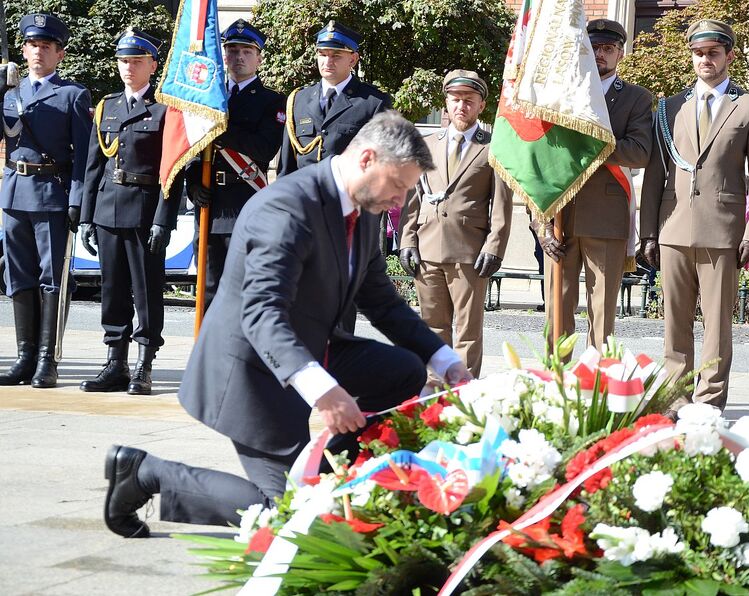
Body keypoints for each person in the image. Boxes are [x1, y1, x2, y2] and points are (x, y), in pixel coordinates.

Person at [102, 112, 472, 537]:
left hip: (310, 345)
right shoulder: (288, 207)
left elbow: (382, 300)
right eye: (399, 185)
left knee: (405, 371)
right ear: (367, 159)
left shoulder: (364, 209)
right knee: (286, 514)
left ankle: (335, 474)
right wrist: (324, 391)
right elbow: (261, 314)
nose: (400, 201)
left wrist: (443, 360)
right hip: (251, 367)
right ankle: (144, 473)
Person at [640, 19, 749, 413]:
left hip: (723, 232)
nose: (705, 60)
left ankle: (710, 403)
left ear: (729, 55)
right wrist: (648, 231)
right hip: (673, 227)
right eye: (699, 53)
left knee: (716, 327)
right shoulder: (669, 107)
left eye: (713, 53)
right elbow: (655, 175)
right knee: (674, 325)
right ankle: (676, 402)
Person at [532, 19, 653, 349]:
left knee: (602, 314)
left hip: (606, 217)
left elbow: (640, 152)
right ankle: (555, 385)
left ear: (620, 54)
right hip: (559, 215)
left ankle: (596, 385)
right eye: (593, 48)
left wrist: (592, 142)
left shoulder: (636, 98)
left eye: (607, 49)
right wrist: (541, 223)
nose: (600, 54)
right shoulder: (559, 96)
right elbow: (538, 161)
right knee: (557, 311)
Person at [78, 30, 182, 395]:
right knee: (113, 290)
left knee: (147, 291)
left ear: (152, 65)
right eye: (123, 60)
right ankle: (115, 362)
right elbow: (93, 167)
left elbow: (173, 169)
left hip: (144, 208)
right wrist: (87, 216)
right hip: (108, 208)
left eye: (137, 61)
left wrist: (162, 219)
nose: (128, 67)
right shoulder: (108, 105)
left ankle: (144, 365)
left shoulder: (167, 107)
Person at [399, 70, 513, 379]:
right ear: (446, 103)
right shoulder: (426, 144)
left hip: (469, 250)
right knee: (432, 326)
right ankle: (435, 392)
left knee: (467, 329)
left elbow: (501, 204)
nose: (460, 106)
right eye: (455, 99)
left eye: (468, 100)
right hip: (427, 246)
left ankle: (464, 393)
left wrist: (495, 246)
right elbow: (413, 197)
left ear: (480, 105)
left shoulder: (493, 146)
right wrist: (407, 241)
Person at [0, 13, 92, 388]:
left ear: (60, 54)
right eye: (33, 45)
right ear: (23, 50)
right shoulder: (10, 94)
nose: (38, 53)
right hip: (14, 192)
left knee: (52, 278)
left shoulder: (73, 94)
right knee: (17, 275)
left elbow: (85, 155)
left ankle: (46, 359)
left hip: (52, 193)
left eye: (46, 47)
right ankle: (24, 356)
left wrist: (78, 200)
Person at [187, 19, 286, 309]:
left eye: (246, 51)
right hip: (208, 200)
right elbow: (192, 146)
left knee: (242, 289)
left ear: (259, 58)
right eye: (231, 50)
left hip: (245, 199)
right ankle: (208, 352)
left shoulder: (272, 101)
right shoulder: (206, 97)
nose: (238, 57)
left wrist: (219, 129)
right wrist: (193, 181)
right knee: (207, 288)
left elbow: (264, 147)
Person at [277, 20, 391, 177]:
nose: (327, 62)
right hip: (304, 196)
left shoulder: (374, 102)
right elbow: (287, 165)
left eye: (336, 55)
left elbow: (382, 165)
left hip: (349, 197)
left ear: (353, 59)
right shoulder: (298, 99)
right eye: (322, 54)